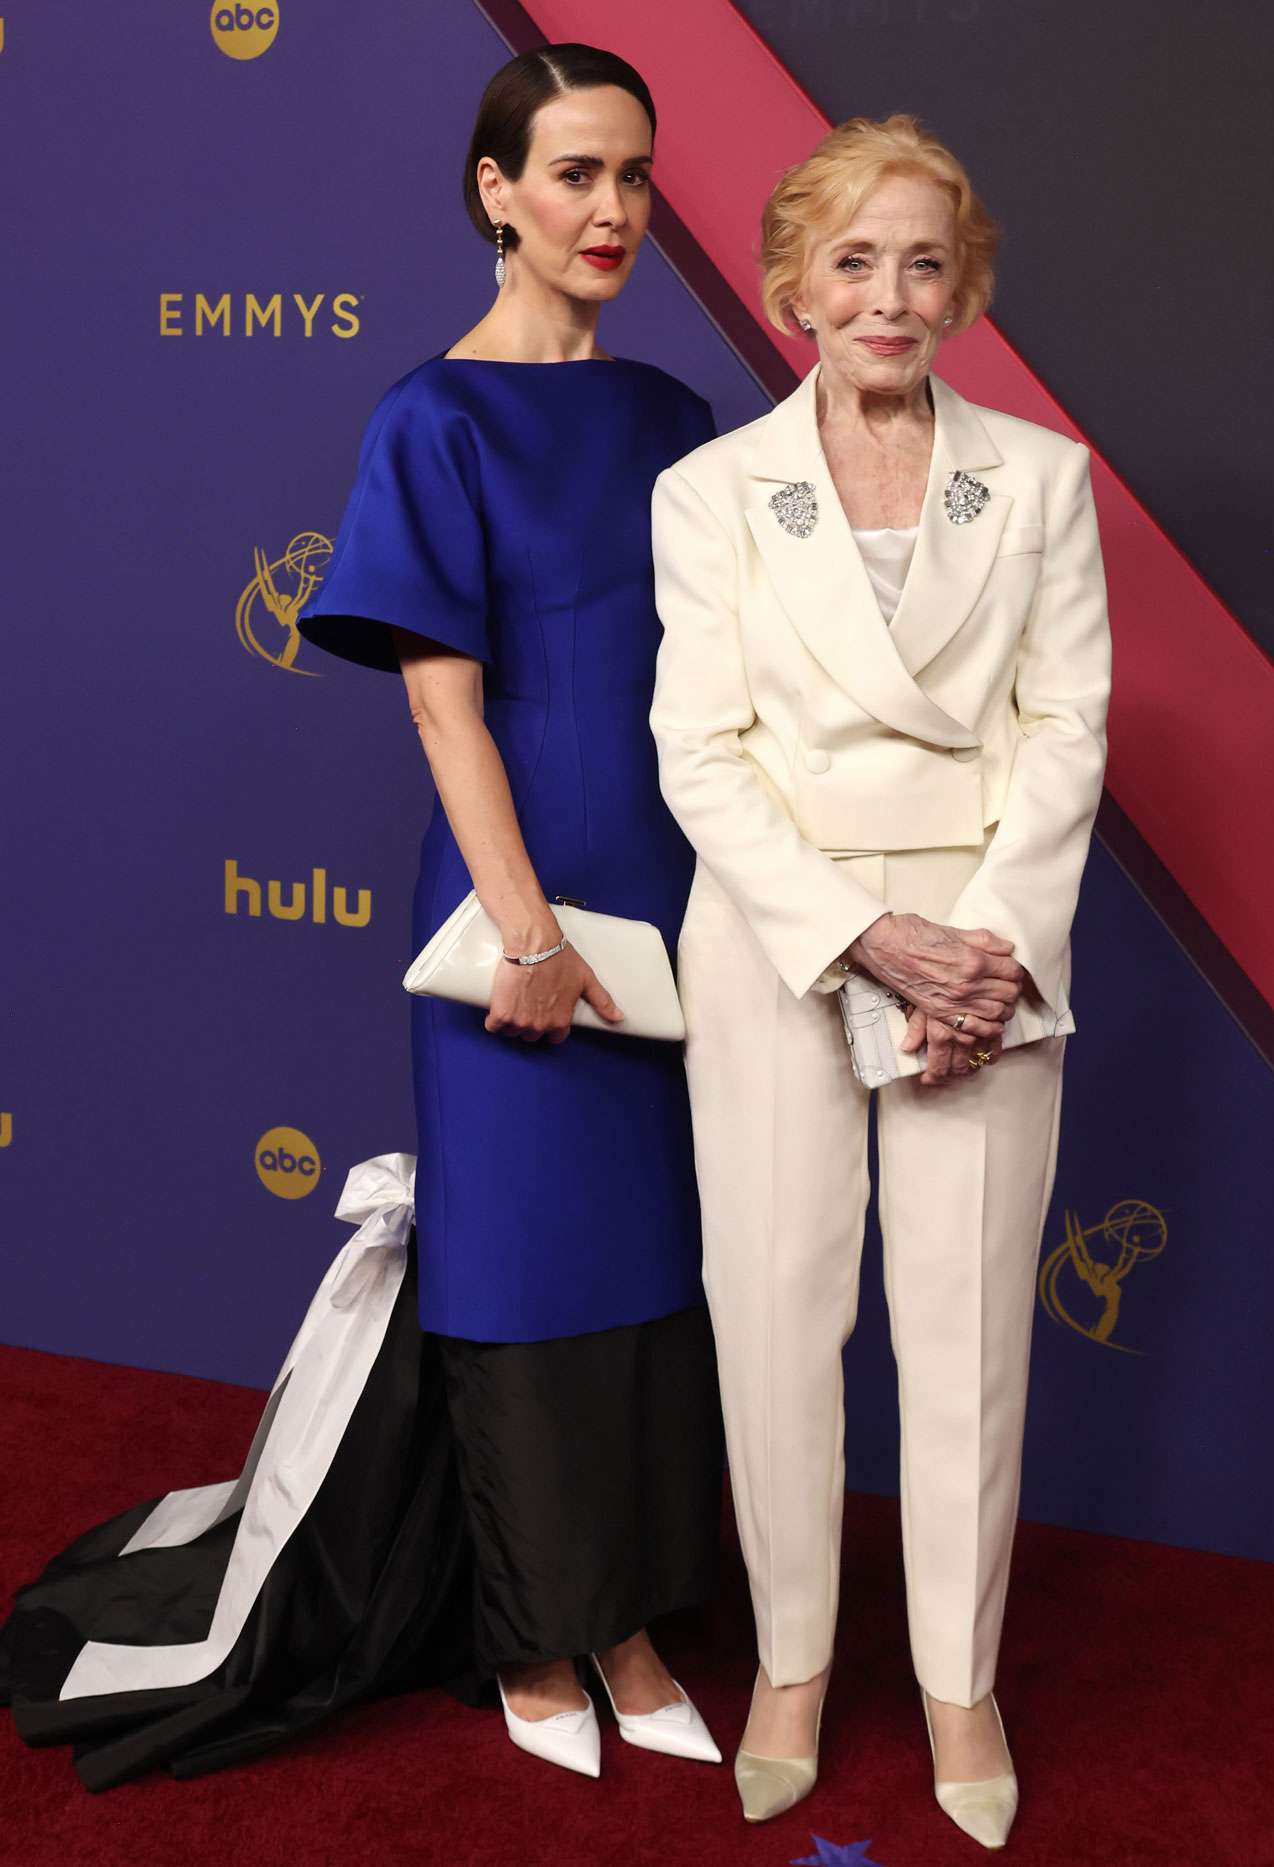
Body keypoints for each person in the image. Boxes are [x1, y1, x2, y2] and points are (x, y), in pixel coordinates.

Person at [0, 44, 723, 1790]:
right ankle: (536, 1638)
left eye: (632, 174)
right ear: (495, 189)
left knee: (653, 1274)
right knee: (527, 1271)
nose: (611, 209)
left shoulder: (679, 418)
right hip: (511, 907)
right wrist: (531, 934)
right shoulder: (432, 417)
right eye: (572, 175)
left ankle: (630, 1622)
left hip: (683, 901)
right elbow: (442, 708)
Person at [649, 113, 1111, 1846]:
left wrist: (975, 949)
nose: (889, 295)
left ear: (964, 285)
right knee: (775, 1322)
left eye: (924, 261)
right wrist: (863, 937)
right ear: (790, 289)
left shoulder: (1043, 480)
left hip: (989, 965)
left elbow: (1064, 731)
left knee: (968, 1340)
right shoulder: (709, 493)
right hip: (785, 944)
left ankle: (955, 1684)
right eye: (853, 260)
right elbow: (698, 754)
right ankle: (784, 1661)